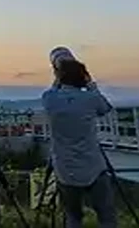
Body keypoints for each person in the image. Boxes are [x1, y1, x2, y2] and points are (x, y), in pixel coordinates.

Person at [42, 56, 116, 228]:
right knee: (106, 216)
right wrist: (91, 84)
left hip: (65, 168)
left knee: (73, 217)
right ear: (83, 77)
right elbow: (106, 108)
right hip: (94, 165)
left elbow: (52, 91)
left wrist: (58, 76)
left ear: (59, 77)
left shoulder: (50, 99)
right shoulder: (91, 99)